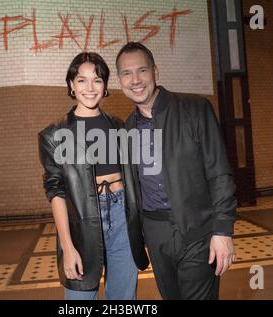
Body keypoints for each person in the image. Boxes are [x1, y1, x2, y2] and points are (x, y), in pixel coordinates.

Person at [115, 42, 237, 300]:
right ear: (119, 80)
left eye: (142, 71)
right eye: (127, 73)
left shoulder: (195, 109)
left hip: (197, 232)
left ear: (155, 72)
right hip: (155, 235)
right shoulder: (126, 130)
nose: (135, 80)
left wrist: (223, 231)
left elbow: (220, 174)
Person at [38, 52, 149, 300]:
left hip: (122, 218)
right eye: (81, 80)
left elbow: (136, 180)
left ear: (105, 86)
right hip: (82, 221)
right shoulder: (54, 135)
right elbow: (55, 192)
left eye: (97, 80)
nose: (90, 88)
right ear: (71, 85)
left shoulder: (120, 127)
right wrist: (67, 247)